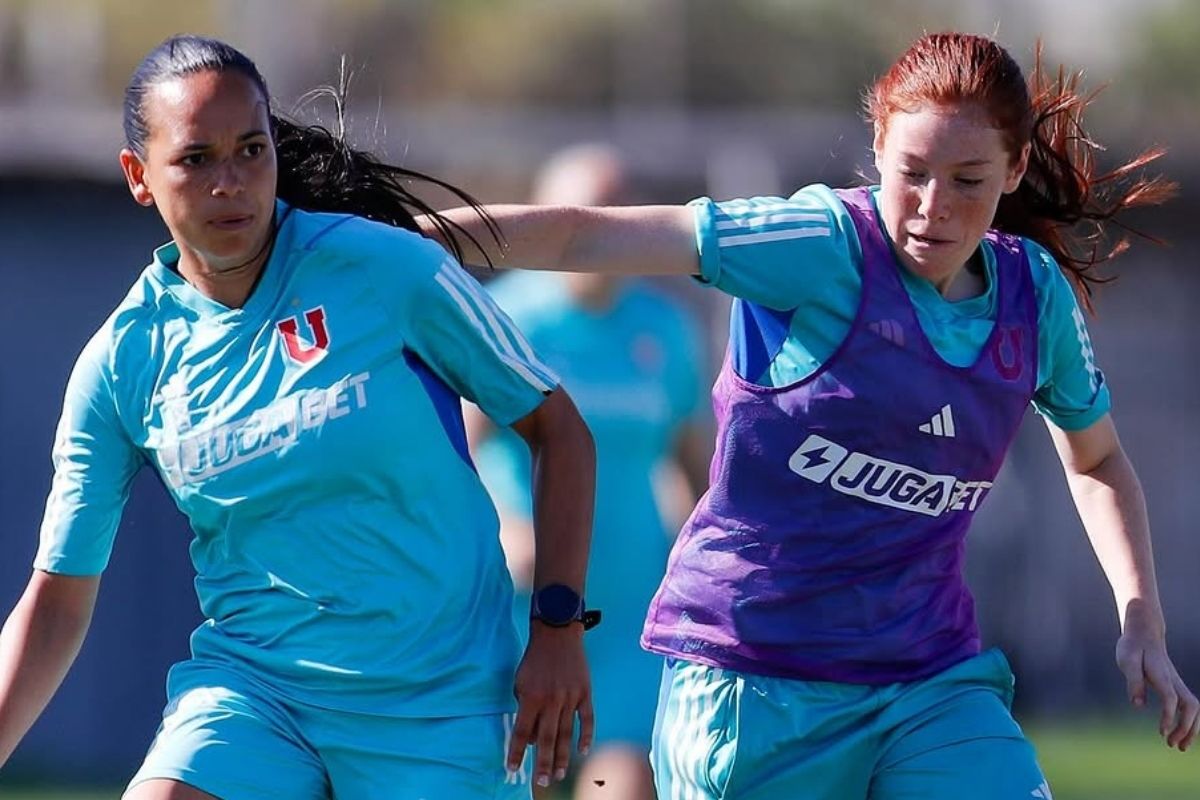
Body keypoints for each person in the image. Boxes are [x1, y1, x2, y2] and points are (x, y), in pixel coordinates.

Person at [423, 31, 1200, 800]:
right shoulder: (819, 246)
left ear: (1016, 167)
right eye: (913, 174)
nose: (933, 208)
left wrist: (1143, 622)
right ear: (877, 147)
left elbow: (1095, 459)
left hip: (926, 680)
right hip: (755, 678)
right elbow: (585, 233)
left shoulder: (1035, 302)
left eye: (968, 180)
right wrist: (404, 236)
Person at [0, 35, 599, 800]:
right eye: (196, 158)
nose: (231, 183)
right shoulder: (124, 361)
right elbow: (55, 602)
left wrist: (555, 627)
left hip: (436, 699)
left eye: (251, 149)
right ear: (138, 177)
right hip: (255, 693)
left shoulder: (386, 270)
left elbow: (558, 430)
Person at [469, 144, 710, 800]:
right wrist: (505, 524)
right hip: (527, 599)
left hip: (633, 595)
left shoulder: (666, 329)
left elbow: (696, 467)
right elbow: (457, 449)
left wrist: (707, 569)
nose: (597, 227)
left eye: (614, 210)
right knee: (524, 778)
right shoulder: (506, 318)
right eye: (581, 211)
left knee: (625, 779)